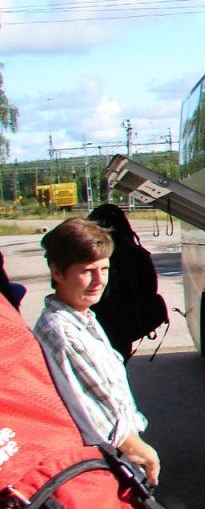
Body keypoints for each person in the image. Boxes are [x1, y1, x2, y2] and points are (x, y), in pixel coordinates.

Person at [31, 217, 161, 484]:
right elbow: (104, 421)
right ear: (57, 272)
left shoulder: (83, 317)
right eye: (88, 270)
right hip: (109, 465)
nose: (99, 280)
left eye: (105, 268)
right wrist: (143, 453)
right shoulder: (63, 332)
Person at [86, 202, 166, 361]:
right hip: (128, 323)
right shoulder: (134, 251)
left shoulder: (96, 253)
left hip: (100, 322)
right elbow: (151, 287)